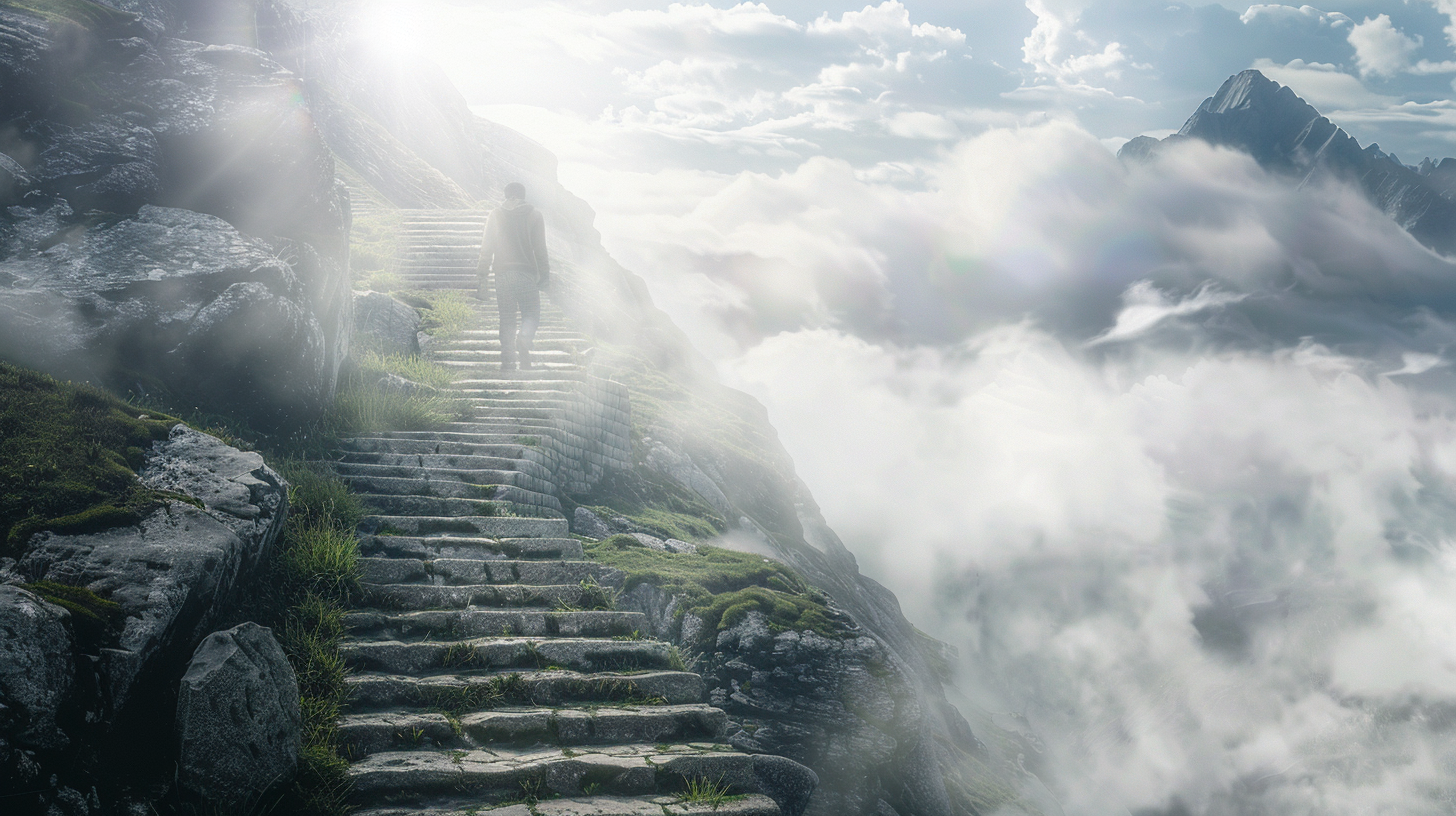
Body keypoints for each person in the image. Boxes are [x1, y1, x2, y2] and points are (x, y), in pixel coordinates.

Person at [477, 182, 550, 370]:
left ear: (506, 195)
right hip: (526, 275)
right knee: (531, 314)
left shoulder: (495, 215)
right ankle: (524, 339)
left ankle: (508, 361)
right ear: (523, 196)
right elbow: (540, 250)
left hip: (502, 275)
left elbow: (487, 247)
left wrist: (483, 274)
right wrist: (545, 275)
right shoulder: (535, 215)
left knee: (507, 318)